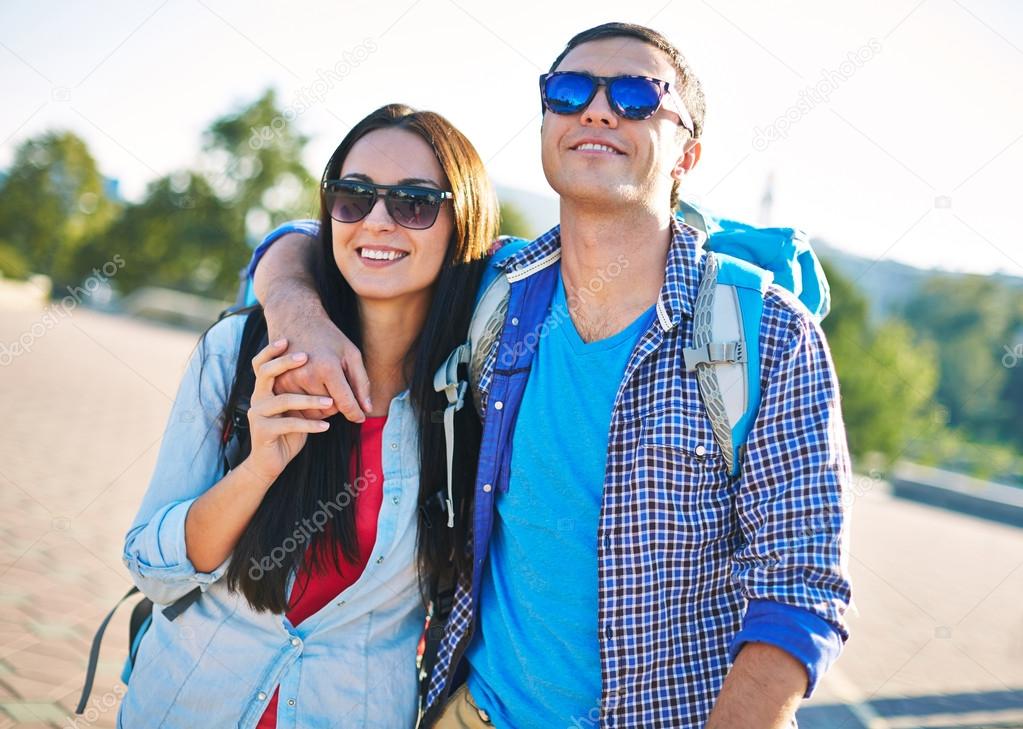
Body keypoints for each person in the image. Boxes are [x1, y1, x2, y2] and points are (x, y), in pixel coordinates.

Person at [249, 22, 854, 729]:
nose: (596, 109)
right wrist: (297, 311)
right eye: (568, 91)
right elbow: (312, 236)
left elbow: (800, 589)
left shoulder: (769, 334)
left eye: (635, 95)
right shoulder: (495, 287)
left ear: (687, 153)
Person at [118, 103, 500, 728]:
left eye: (414, 202)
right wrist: (260, 466)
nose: (378, 220)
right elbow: (153, 570)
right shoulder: (240, 354)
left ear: (463, 223)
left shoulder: (475, 395)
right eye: (353, 196)